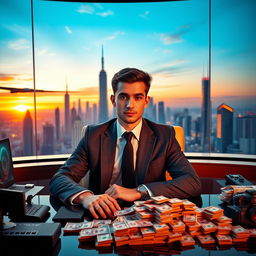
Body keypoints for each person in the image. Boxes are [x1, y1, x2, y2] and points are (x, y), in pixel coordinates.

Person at [49, 67, 201, 219]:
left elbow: (192, 182)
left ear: (146, 101)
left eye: (138, 97)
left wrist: (138, 191)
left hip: (150, 218)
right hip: (103, 216)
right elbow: (60, 179)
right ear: (113, 100)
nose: (130, 105)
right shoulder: (93, 135)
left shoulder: (164, 136)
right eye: (123, 97)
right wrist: (87, 197)